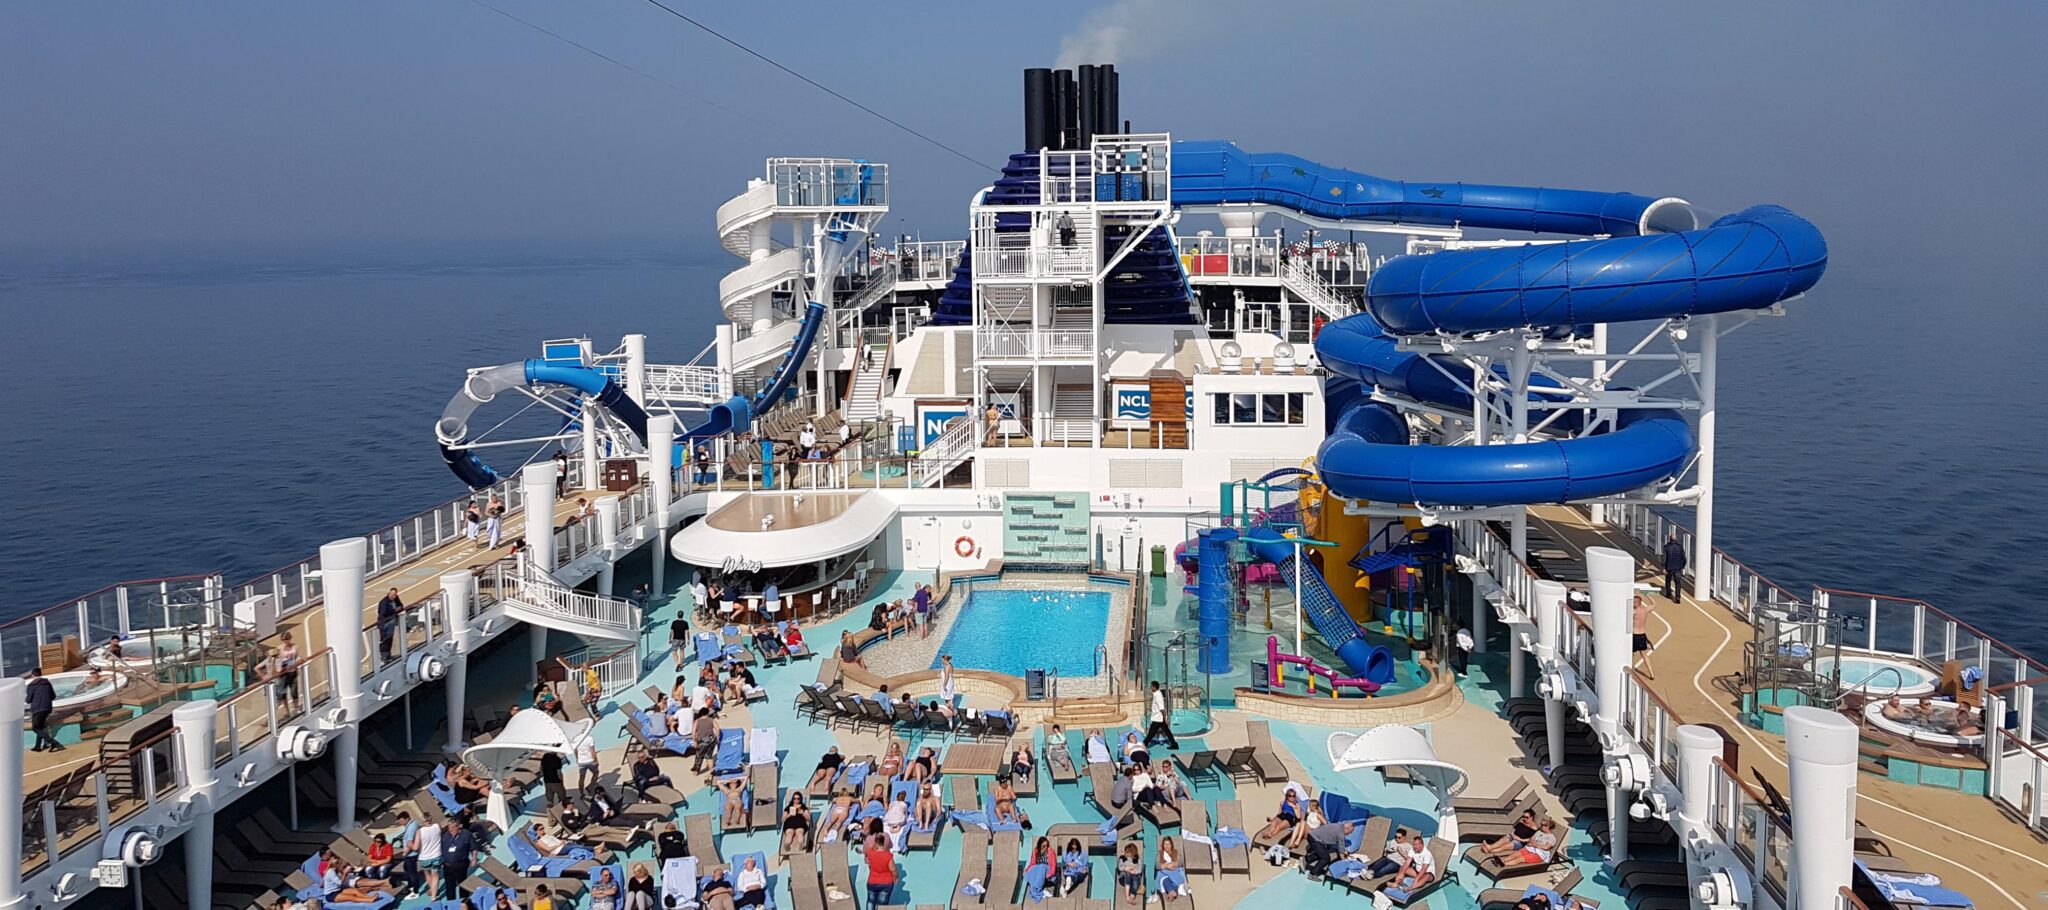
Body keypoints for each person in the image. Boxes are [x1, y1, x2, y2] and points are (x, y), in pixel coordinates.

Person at [439, 818, 476, 899]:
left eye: (453, 827)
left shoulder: (466, 834)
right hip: (447, 865)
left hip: (460, 864)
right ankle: (452, 903)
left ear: (459, 826)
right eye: (449, 827)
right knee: (449, 886)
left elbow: (474, 847)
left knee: (462, 884)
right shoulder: (446, 835)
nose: (450, 829)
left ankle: (464, 901)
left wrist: (474, 859)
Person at [412, 805, 443, 898]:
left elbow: (415, 847)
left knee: (428, 874)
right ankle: (434, 895)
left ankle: (432, 890)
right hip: (436, 855)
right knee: (436, 875)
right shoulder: (437, 826)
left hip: (424, 857)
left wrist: (410, 844)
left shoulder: (420, 831)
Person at [25, 669, 59, 752]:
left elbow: (28, 700)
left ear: (33, 675)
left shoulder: (32, 685)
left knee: (35, 728)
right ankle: (37, 746)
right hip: (47, 708)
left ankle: (52, 742)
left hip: (37, 709)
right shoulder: (47, 683)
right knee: (40, 727)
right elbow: (53, 696)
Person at [1144, 681, 1179, 750]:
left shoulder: (1158, 696)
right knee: (1167, 732)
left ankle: (1144, 744)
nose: (1150, 687)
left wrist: (1165, 718)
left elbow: (1162, 709)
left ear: (1154, 687)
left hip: (1158, 719)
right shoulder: (1156, 694)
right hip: (1159, 718)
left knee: (1151, 733)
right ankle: (1174, 744)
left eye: (1151, 686)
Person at [275, 631, 302, 714]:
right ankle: (285, 711)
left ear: (290, 638)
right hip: (283, 673)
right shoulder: (279, 648)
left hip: (292, 672)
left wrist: (298, 662)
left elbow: (297, 657)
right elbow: (277, 660)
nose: (285, 641)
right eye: (283, 639)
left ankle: (296, 708)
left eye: (287, 639)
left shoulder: (295, 647)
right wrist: (278, 669)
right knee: (282, 694)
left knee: (294, 692)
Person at [865, 839, 897, 908]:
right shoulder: (888, 856)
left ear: (876, 845)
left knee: (870, 901)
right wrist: (896, 877)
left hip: (872, 881)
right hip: (886, 883)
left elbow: (867, 859)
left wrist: (872, 846)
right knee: (882, 903)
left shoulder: (870, 853)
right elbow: (893, 869)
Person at [1631, 595, 1657, 679]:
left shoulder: (1634, 611)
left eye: (1634, 602)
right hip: (1642, 635)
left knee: (1632, 653)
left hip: (1635, 635)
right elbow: (1654, 604)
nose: (1633, 603)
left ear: (1639, 602)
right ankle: (1651, 673)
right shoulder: (1645, 610)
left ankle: (1632, 668)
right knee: (1644, 654)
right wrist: (1648, 595)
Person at [376, 587, 403, 662]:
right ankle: (384, 656)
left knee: (390, 639)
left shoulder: (395, 599)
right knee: (385, 639)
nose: (393, 596)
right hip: (385, 623)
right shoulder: (384, 602)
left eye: (394, 595)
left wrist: (399, 608)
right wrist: (394, 610)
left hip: (391, 621)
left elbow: (401, 605)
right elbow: (383, 613)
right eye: (392, 594)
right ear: (389, 593)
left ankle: (388, 655)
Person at [1116, 841, 1144, 907]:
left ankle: (1132, 897)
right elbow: (1120, 867)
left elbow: (1139, 869)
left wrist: (1134, 871)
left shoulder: (1138, 859)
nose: (1127, 854)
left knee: (1135, 878)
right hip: (1124, 879)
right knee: (1128, 874)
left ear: (1133, 852)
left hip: (1135, 878)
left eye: (1128, 852)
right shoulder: (1122, 858)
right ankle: (1127, 896)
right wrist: (1126, 868)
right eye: (1126, 852)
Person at [1156, 837, 1184, 903]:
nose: (1167, 846)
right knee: (1165, 880)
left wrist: (1173, 864)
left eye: (1168, 844)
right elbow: (1157, 865)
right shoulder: (1160, 853)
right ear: (1163, 845)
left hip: (1175, 872)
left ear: (1171, 844)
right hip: (1164, 873)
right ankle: (1173, 892)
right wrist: (1167, 866)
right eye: (1165, 844)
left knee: (1175, 881)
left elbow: (1180, 862)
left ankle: (1171, 893)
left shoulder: (1176, 852)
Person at [1662, 531, 1688, 600]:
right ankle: (1678, 597)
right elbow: (1684, 558)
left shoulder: (1666, 547)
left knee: (1668, 581)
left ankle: (1668, 594)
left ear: (1670, 539)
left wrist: (1664, 567)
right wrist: (1682, 566)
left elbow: (1664, 558)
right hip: (1677, 568)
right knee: (1678, 583)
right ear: (1676, 539)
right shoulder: (1680, 547)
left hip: (1669, 567)